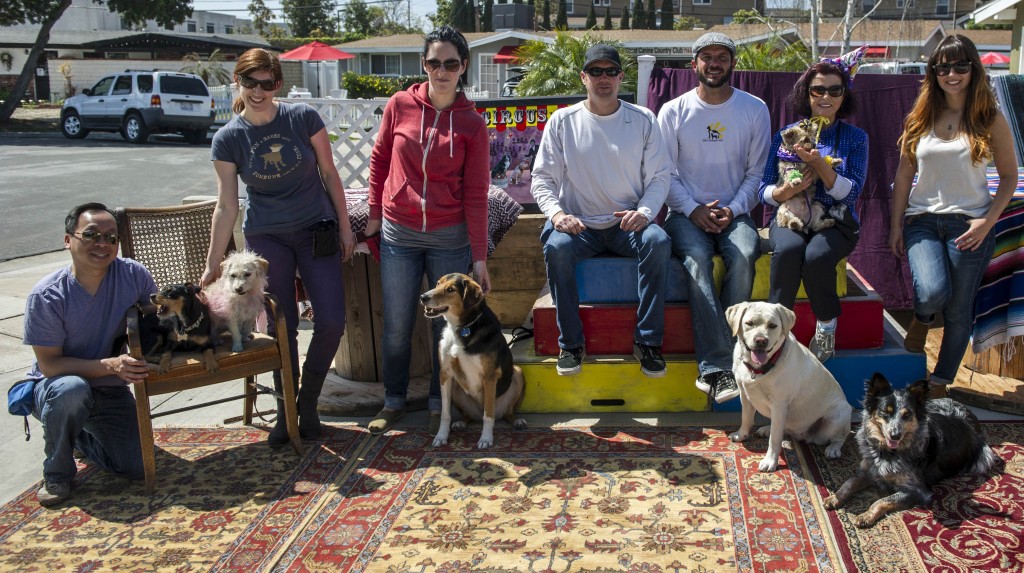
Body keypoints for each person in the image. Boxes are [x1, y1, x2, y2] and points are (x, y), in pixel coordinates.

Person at [203, 48, 356, 446]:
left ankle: (306, 401)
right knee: (280, 325)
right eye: (250, 82)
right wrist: (213, 264)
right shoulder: (228, 138)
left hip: (315, 229)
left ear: (278, 84)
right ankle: (287, 412)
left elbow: (329, 172)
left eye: (267, 83)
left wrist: (345, 227)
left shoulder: (302, 118)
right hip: (267, 239)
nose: (258, 91)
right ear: (238, 82)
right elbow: (226, 204)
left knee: (331, 320)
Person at [363, 26, 490, 434]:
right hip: (399, 232)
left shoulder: (472, 123)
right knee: (398, 325)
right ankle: (394, 401)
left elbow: (476, 193)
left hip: (448, 236)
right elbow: (380, 160)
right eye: (434, 62)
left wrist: (480, 256)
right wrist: (373, 214)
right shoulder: (399, 105)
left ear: (463, 67)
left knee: (445, 329)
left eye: (451, 63)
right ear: (424, 64)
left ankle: (441, 405)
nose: (442, 70)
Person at [532, 44, 672, 378]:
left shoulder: (643, 120)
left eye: (611, 71)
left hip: (628, 224)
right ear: (583, 77)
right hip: (579, 226)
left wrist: (646, 211)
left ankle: (648, 341)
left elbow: (660, 176)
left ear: (622, 76)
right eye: (596, 71)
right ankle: (571, 343)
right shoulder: (562, 121)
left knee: (659, 242)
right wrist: (556, 215)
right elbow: (541, 180)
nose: (603, 78)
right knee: (556, 247)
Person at [889, 34, 1017, 398]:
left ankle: (941, 382)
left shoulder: (988, 118)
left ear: (973, 68)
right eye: (942, 66)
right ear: (934, 72)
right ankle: (923, 318)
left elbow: (1009, 177)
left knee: (960, 311)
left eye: (960, 65)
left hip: (971, 224)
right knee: (930, 293)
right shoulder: (920, 116)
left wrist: (987, 222)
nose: (951, 73)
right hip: (923, 220)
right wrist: (896, 224)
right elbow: (903, 174)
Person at [657, 32, 771, 403]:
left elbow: (757, 174)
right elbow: (664, 174)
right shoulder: (673, 111)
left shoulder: (754, 109)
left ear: (733, 63)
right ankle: (720, 368)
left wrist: (733, 209)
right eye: (707, 57)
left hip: (735, 213)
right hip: (683, 213)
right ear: (694, 65)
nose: (715, 63)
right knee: (698, 260)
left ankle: (728, 360)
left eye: (723, 56)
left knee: (743, 254)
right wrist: (694, 209)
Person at [22, 203, 156, 507]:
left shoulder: (132, 274)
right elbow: (50, 365)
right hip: (57, 386)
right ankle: (57, 472)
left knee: (135, 466)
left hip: (109, 385)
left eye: (111, 238)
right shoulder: (47, 296)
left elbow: (157, 317)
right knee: (72, 389)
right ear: (69, 239)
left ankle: (77, 434)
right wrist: (110, 364)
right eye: (92, 235)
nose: (102, 244)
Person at [759, 47, 869, 363]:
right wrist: (786, 190)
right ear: (806, 93)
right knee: (790, 251)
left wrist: (821, 165)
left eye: (834, 90)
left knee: (817, 255)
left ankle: (826, 324)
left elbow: (851, 194)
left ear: (844, 95)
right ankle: (775, 330)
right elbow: (762, 189)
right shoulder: (788, 134)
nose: (825, 96)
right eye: (817, 89)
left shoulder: (856, 137)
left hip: (835, 220)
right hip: (790, 214)